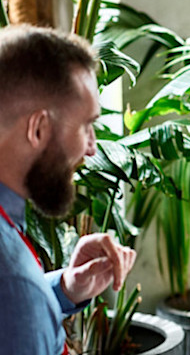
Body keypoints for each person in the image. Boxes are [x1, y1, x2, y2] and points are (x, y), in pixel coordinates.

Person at [0, 25, 137, 354]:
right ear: (38, 128)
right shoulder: (14, 285)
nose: (92, 148)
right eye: (86, 125)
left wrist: (65, 287)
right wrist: (29, 293)